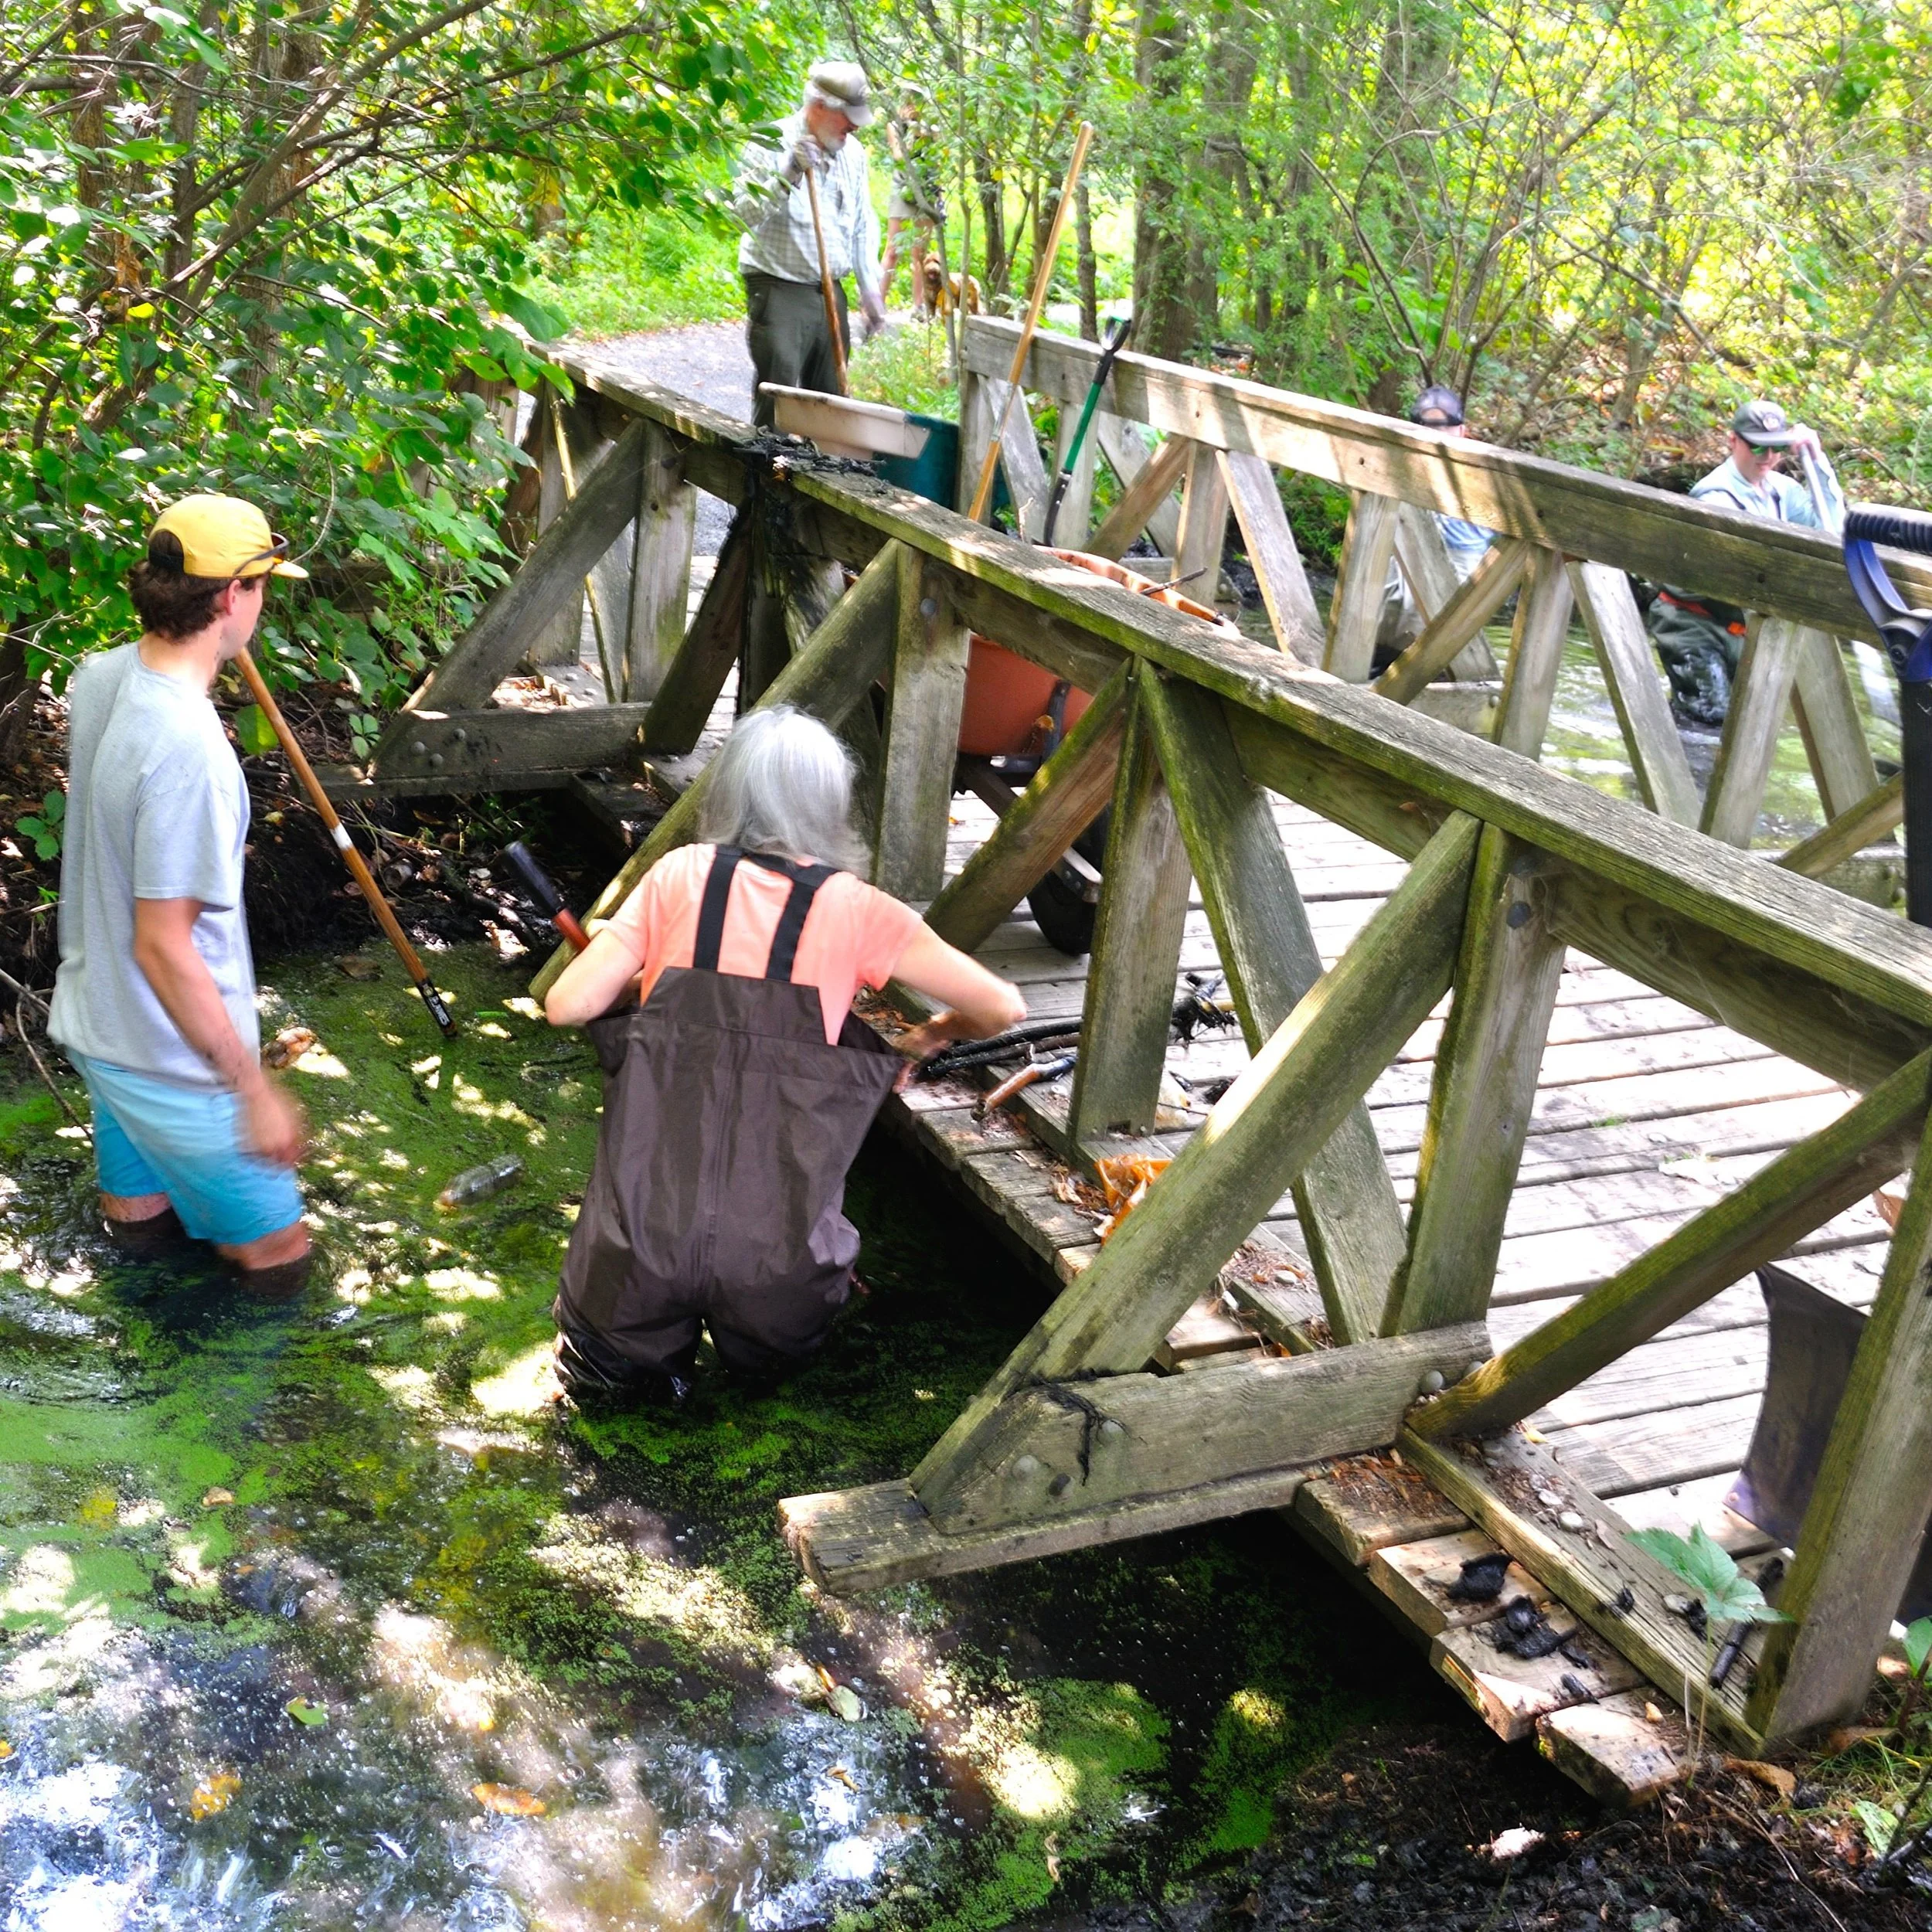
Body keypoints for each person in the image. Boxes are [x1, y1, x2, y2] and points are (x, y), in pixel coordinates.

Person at [543, 706, 1026, 1403]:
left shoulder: (677, 876)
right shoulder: (859, 910)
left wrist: (633, 955)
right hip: (781, 1258)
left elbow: (567, 1005)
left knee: (604, 1428)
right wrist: (934, 1034)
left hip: (635, 1243)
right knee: (769, 1417)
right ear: (831, 808)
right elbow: (1003, 1008)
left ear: (729, 792)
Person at [48, 495, 313, 1297]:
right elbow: (162, 944)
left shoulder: (97, 677)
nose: (263, 603)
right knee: (278, 1260)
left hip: (98, 1026)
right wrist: (253, 1087)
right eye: (262, 586)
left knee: (140, 1222)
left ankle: (142, 1397)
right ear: (232, 597)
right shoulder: (191, 752)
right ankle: (226, 1413)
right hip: (175, 1066)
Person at [1647, 399, 1845, 727]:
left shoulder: (1783, 491)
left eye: (1777, 448)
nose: (1768, 458)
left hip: (1742, 627)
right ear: (1733, 441)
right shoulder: (1714, 498)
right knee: (1709, 722)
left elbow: (1831, 534)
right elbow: (1738, 571)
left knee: (1741, 725)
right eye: (1758, 448)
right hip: (1694, 624)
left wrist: (1818, 461)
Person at [732, 60, 887, 429]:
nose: (853, 126)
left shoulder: (854, 154)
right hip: (779, 286)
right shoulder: (770, 140)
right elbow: (742, 214)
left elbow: (863, 225)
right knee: (780, 403)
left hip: (831, 291)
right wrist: (790, 171)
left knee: (832, 405)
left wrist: (870, 292)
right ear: (819, 107)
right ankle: (764, 481)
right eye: (847, 117)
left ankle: (820, 481)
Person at [1372, 384, 1500, 671]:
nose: (1436, 438)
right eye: (1428, 429)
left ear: (1462, 432)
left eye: (1443, 429)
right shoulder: (1396, 468)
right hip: (1404, 593)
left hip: (1455, 584)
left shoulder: (1485, 479)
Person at [880, 86, 940, 317]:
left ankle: (919, 307)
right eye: (907, 101)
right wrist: (910, 132)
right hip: (903, 189)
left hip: (926, 191)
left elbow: (937, 156)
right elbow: (898, 157)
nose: (911, 106)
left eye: (916, 101)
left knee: (920, 254)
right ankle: (877, 305)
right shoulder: (894, 127)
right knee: (893, 249)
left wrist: (921, 130)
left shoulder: (932, 129)